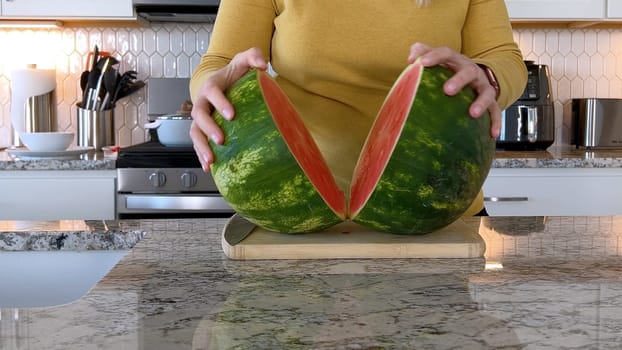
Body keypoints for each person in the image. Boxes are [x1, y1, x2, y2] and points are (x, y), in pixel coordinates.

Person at [189, 0, 527, 216]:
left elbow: (504, 57)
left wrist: (487, 77)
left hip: (435, 202)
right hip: (304, 206)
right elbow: (220, 62)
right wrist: (209, 88)